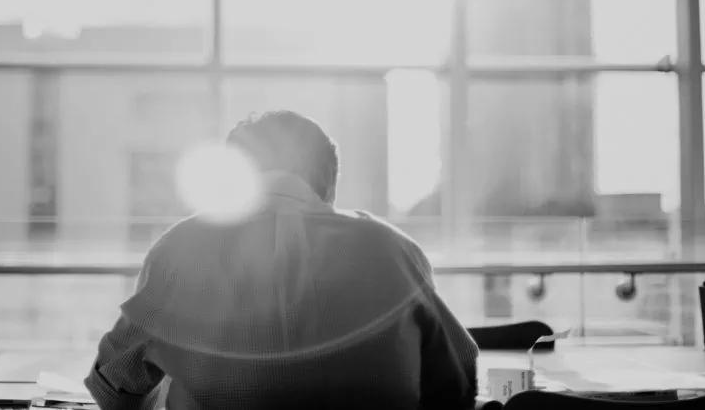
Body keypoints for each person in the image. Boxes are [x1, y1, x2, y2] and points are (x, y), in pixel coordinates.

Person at [85, 110, 478, 410]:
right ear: (330, 184)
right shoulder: (393, 249)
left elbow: (115, 386)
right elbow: (459, 378)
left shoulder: (181, 247)